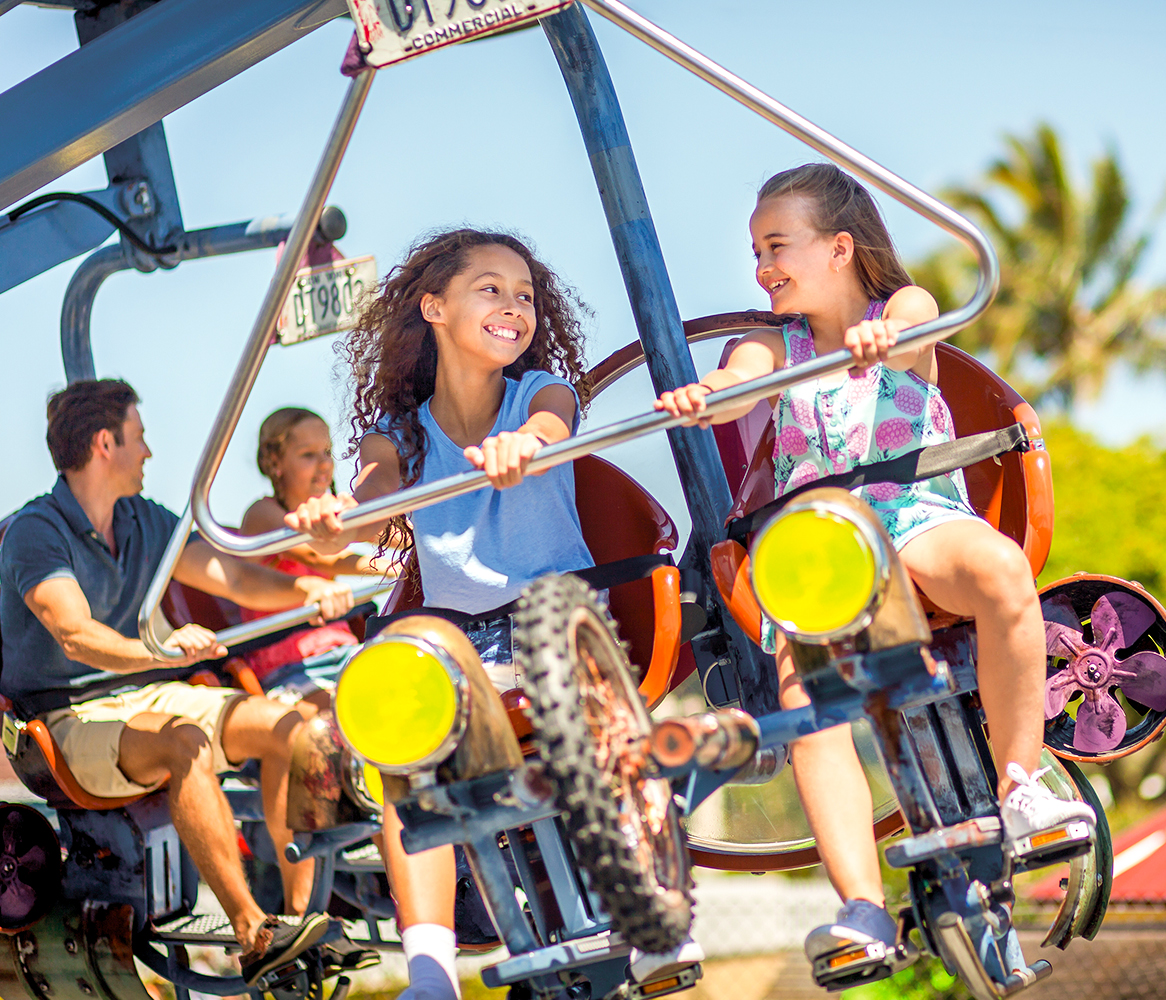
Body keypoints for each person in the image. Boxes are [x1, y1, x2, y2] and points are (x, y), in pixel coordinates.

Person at [653, 163, 1094, 971]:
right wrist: (705, 395)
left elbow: (922, 324)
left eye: (777, 246)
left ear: (841, 249)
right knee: (805, 689)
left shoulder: (903, 309)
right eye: (756, 252)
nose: (763, 268)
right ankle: (860, 906)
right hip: (822, 549)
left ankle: (1022, 788)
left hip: (914, 518)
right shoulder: (771, 343)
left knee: (999, 570)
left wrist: (891, 339)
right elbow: (737, 382)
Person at [282, 228, 701, 1000]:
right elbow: (377, 495)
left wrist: (525, 445)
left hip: (560, 617)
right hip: (460, 642)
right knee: (403, 735)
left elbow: (551, 424)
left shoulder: (538, 392)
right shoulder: (399, 434)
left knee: (578, 686)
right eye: (491, 289)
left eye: (526, 295)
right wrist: (342, 516)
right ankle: (433, 964)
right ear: (434, 307)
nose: (515, 307)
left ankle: (650, 915)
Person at [0, 379, 356, 985]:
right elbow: (75, 634)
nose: (149, 453)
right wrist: (158, 649)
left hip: (147, 698)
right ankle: (252, 933)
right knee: (185, 740)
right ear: (105, 443)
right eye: (139, 438)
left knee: (293, 727)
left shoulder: (141, 518)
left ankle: (299, 925)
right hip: (65, 720)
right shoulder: (39, 530)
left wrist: (307, 591)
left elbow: (235, 579)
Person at [239, 407, 396, 709]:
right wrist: (389, 567)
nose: (324, 465)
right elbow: (320, 556)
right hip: (289, 666)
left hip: (341, 650)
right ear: (275, 463)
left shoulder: (332, 513)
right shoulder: (262, 515)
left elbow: (385, 530)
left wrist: (418, 542)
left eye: (327, 452)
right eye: (308, 455)